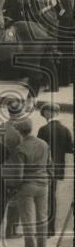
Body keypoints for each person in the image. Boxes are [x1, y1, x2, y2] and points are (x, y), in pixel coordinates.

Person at [4, 117, 52, 247]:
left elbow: (18, 174)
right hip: (43, 184)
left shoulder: (20, 148)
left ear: (19, 131)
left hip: (27, 186)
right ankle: (41, 246)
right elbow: (50, 164)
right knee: (42, 216)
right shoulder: (44, 144)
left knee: (27, 217)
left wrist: (13, 186)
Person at [37, 102, 72, 237]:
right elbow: (70, 149)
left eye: (44, 114)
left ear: (48, 113)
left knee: (43, 198)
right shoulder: (65, 130)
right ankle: (51, 229)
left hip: (45, 169)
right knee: (52, 197)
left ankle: (44, 229)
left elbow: (39, 150)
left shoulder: (43, 130)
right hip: (57, 170)